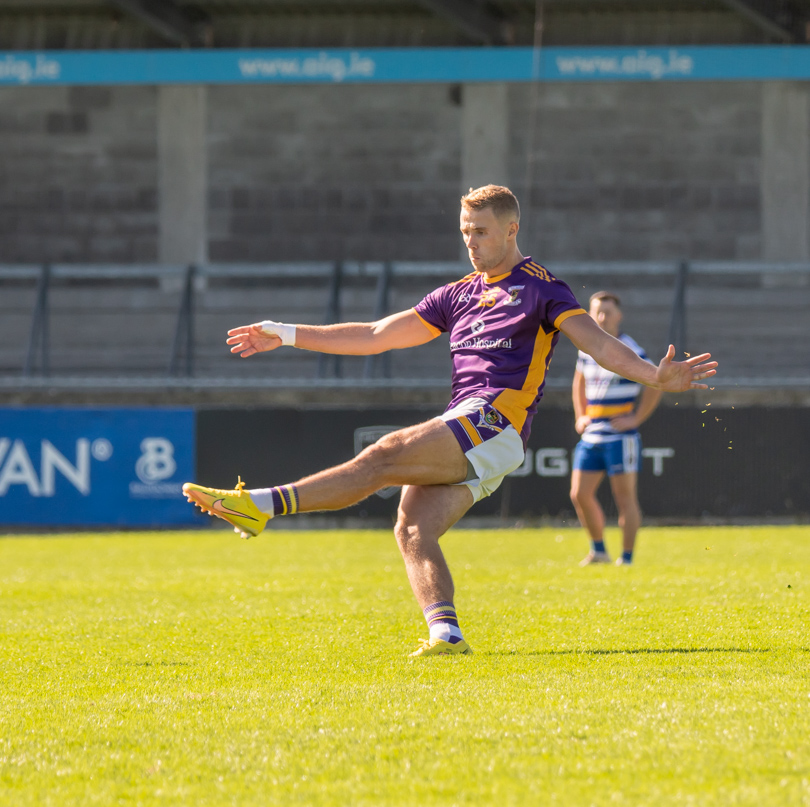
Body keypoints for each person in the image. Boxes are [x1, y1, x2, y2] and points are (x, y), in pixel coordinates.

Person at [182, 185, 717, 657]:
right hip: (471, 425)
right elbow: (375, 335)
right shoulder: (458, 294)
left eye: (481, 232)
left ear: (511, 230)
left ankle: (258, 506)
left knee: (384, 455)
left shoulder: (542, 288)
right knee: (413, 528)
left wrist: (653, 376)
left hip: (496, 423)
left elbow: (599, 346)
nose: (472, 242)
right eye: (465, 232)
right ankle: (446, 634)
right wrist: (286, 331)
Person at [570, 291, 660, 567]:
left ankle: (628, 558)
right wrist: (581, 415)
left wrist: (635, 418)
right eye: (597, 311)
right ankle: (599, 551)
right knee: (579, 494)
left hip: (620, 436)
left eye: (607, 312)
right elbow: (579, 382)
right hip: (592, 432)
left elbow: (655, 382)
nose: (601, 317)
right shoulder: (587, 348)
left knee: (624, 499)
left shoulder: (630, 349)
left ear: (619, 316)